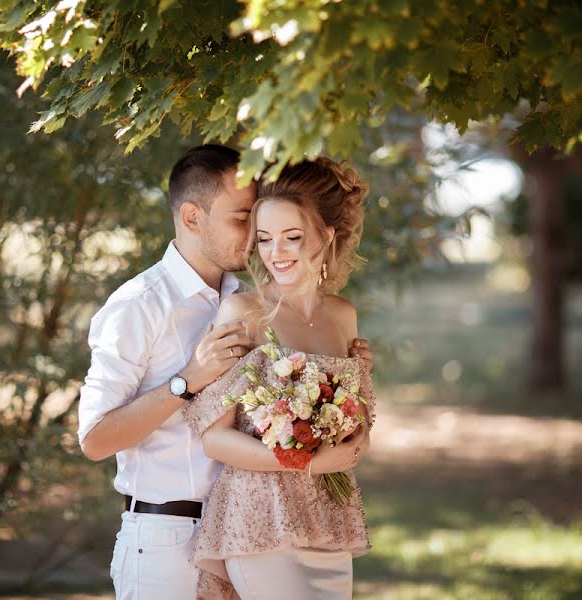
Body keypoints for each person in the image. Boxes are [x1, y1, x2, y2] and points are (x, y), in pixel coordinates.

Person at [78, 146, 374, 600]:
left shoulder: (251, 298)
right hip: (167, 535)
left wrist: (342, 381)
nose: (258, 238)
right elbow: (94, 439)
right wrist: (186, 381)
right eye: (244, 220)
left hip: (254, 521)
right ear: (193, 217)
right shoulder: (138, 305)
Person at [183, 156, 375, 600]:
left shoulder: (344, 316)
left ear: (325, 237)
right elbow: (215, 439)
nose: (275, 253)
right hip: (261, 522)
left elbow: (358, 424)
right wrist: (308, 461)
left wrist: (354, 438)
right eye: (265, 239)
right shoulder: (242, 313)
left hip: (328, 521)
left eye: (292, 237)